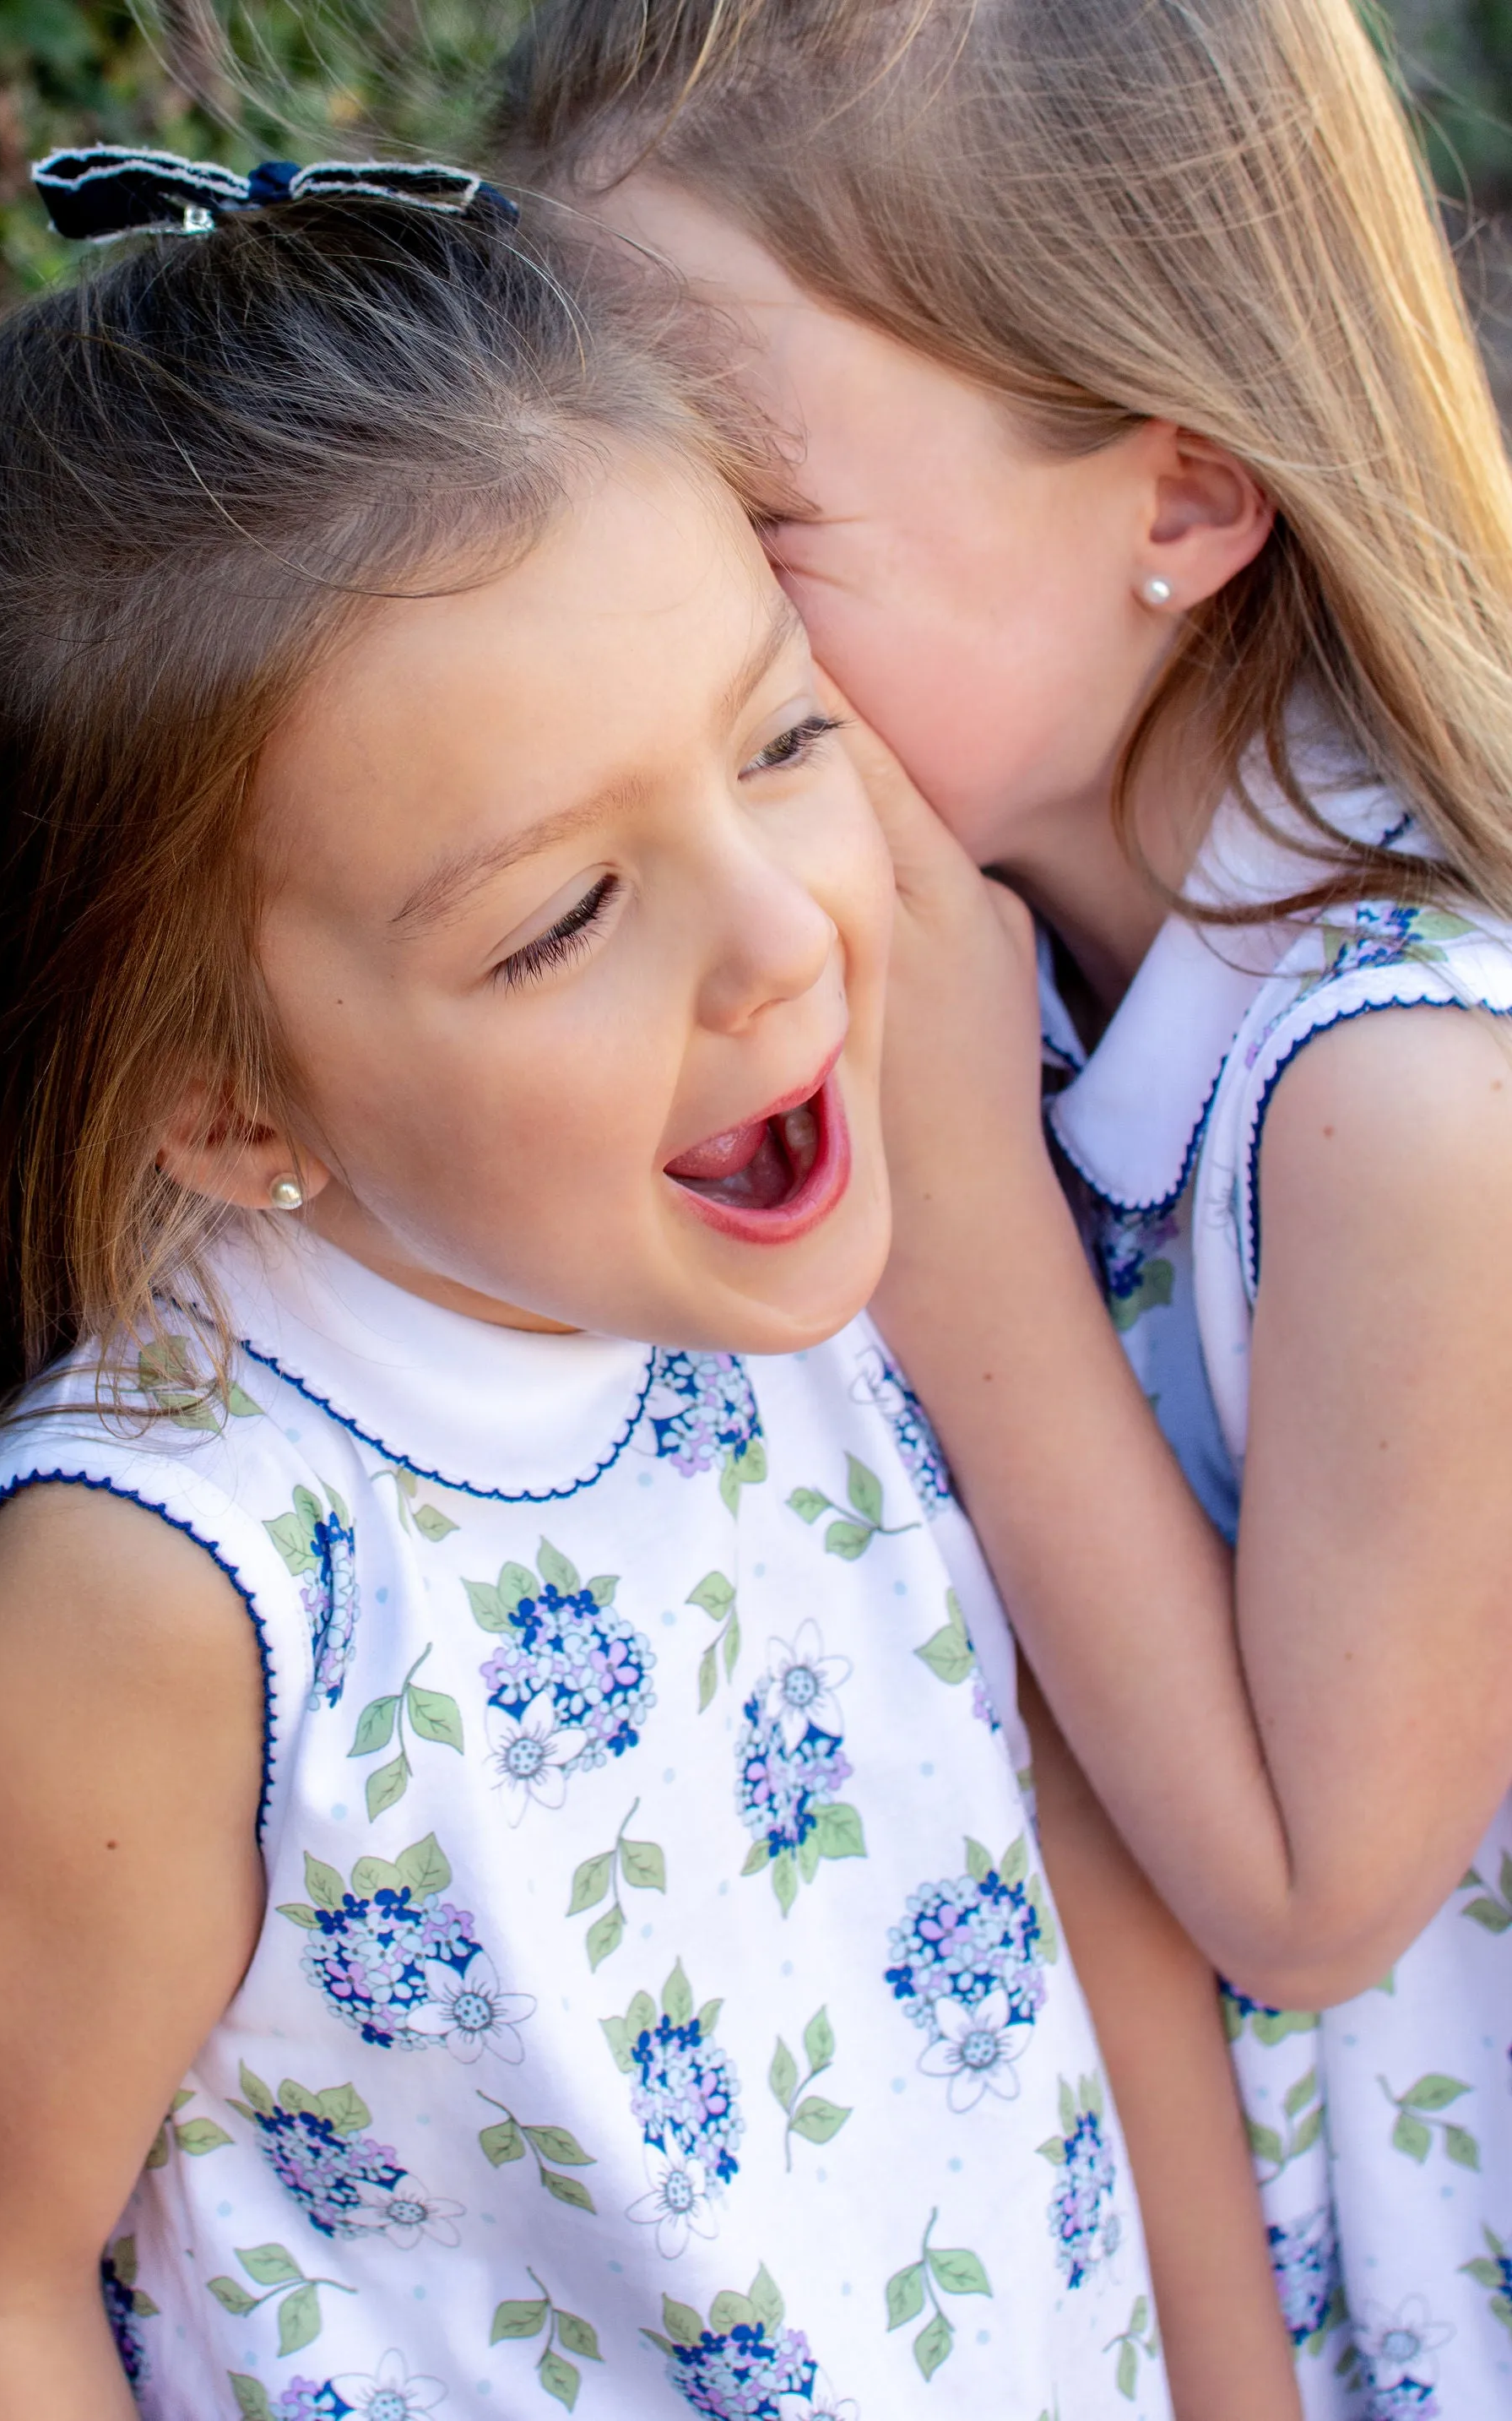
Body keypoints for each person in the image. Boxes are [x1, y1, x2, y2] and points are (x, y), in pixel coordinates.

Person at [0, 147, 1267, 2421]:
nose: (788, 937)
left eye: (786, 741)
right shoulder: (167, 1593)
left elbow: (1046, 1839)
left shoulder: (827, 1259)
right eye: (561, 920)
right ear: (225, 1105)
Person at [497, 0, 1512, 2413]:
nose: (614, 619)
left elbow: (1308, 1890)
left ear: (1176, 502)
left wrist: (958, 1216)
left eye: (742, 526)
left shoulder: (1411, 1099)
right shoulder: (1000, 938)